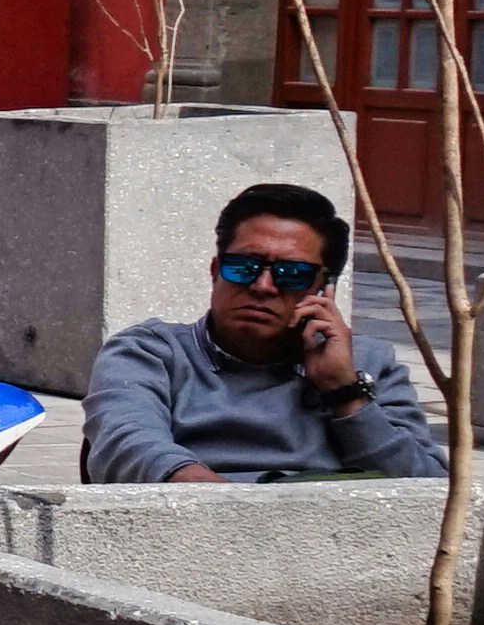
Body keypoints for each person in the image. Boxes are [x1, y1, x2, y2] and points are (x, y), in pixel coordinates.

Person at [81, 180, 448, 484]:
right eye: (243, 266)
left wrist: (345, 395)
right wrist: (240, 514)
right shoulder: (149, 353)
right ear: (215, 271)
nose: (262, 286)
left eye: (292, 274)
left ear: (323, 289)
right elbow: (127, 444)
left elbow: (425, 487)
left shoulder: (366, 363)